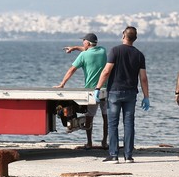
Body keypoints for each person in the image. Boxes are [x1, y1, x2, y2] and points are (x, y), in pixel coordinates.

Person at [94, 26, 150, 164]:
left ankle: (113, 155)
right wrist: (146, 96)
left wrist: (97, 88)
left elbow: (106, 71)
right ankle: (128, 155)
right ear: (135, 38)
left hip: (114, 92)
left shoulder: (115, 50)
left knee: (113, 124)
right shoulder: (139, 55)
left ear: (123, 35)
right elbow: (143, 78)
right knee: (129, 123)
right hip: (131, 93)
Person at [56, 33, 107, 149]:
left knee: (89, 117)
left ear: (88, 43)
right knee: (106, 117)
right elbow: (87, 49)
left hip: (91, 91)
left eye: (83, 41)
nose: (82, 42)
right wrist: (74, 48)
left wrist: (62, 83)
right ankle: (105, 142)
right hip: (104, 89)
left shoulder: (83, 55)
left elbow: (72, 69)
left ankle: (89, 143)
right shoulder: (103, 51)